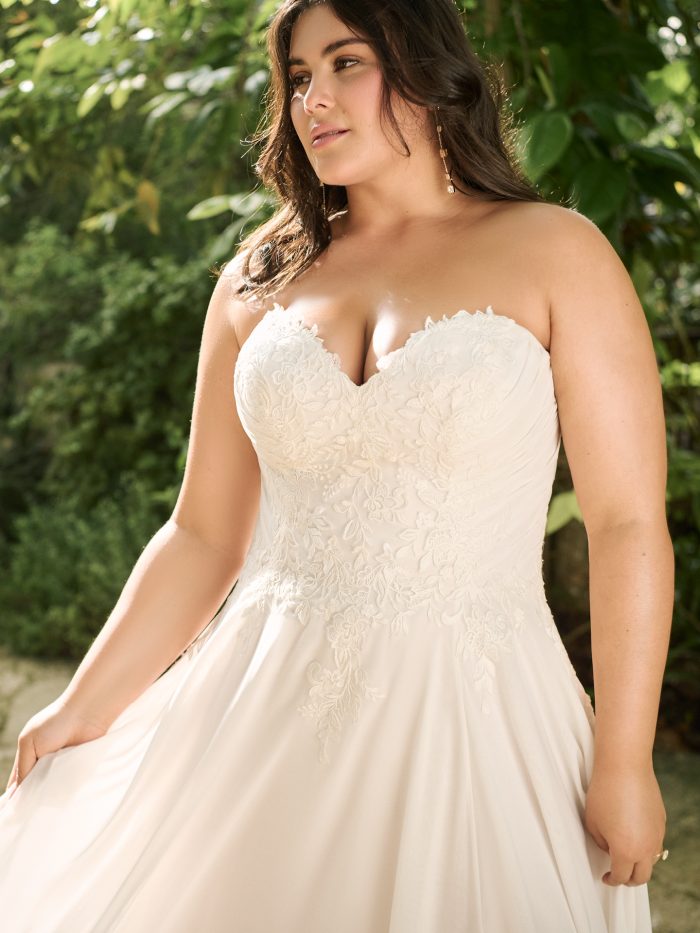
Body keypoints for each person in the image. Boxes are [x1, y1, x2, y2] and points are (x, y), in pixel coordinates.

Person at [0, 0, 673, 930]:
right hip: (261, 712)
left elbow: (625, 520)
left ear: (428, 70)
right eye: (299, 77)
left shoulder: (555, 250)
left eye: (346, 63)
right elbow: (202, 533)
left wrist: (625, 755)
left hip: (476, 720)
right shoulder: (256, 277)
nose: (314, 98)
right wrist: (82, 703)